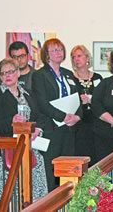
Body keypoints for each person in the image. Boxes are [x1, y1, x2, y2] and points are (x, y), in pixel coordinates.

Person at [0, 58, 48, 201]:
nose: (7, 76)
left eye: (10, 72)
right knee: (10, 198)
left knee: (34, 195)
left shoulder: (28, 94)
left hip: (31, 149)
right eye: (3, 73)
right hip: (8, 151)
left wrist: (37, 129)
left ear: (18, 73)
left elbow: (41, 116)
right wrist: (12, 121)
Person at [32, 38, 82, 191]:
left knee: (68, 169)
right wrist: (63, 116)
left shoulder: (68, 74)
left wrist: (77, 116)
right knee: (51, 171)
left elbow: (78, 98)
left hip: (68, 129)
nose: (58, 53)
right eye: (54, 50)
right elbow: (42, 103)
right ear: (46, 54)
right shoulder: (40, 75)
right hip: (51, 128)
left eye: (60, 49)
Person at [71, 45, 103, 165]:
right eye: (73, 57)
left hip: (95, 122)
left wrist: (92, 100)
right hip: (79, 124)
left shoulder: (97, 78)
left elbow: (102, 100)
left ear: (87, 57)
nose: (76, 59)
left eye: (79, 56)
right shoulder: (70, 78)